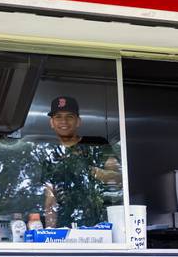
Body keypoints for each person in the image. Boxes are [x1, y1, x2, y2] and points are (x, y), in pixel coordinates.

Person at [41, 96, 122, 228]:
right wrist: (49, 233)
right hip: (65, 228)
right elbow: (50, 200)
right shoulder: (51, 157)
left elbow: (119, 178)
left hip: (101, 225)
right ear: (51, 122)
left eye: (69, 116)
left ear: (78, 121)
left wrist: (92, 171)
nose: (64, 121)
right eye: (58, 117)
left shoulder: (97, 144)